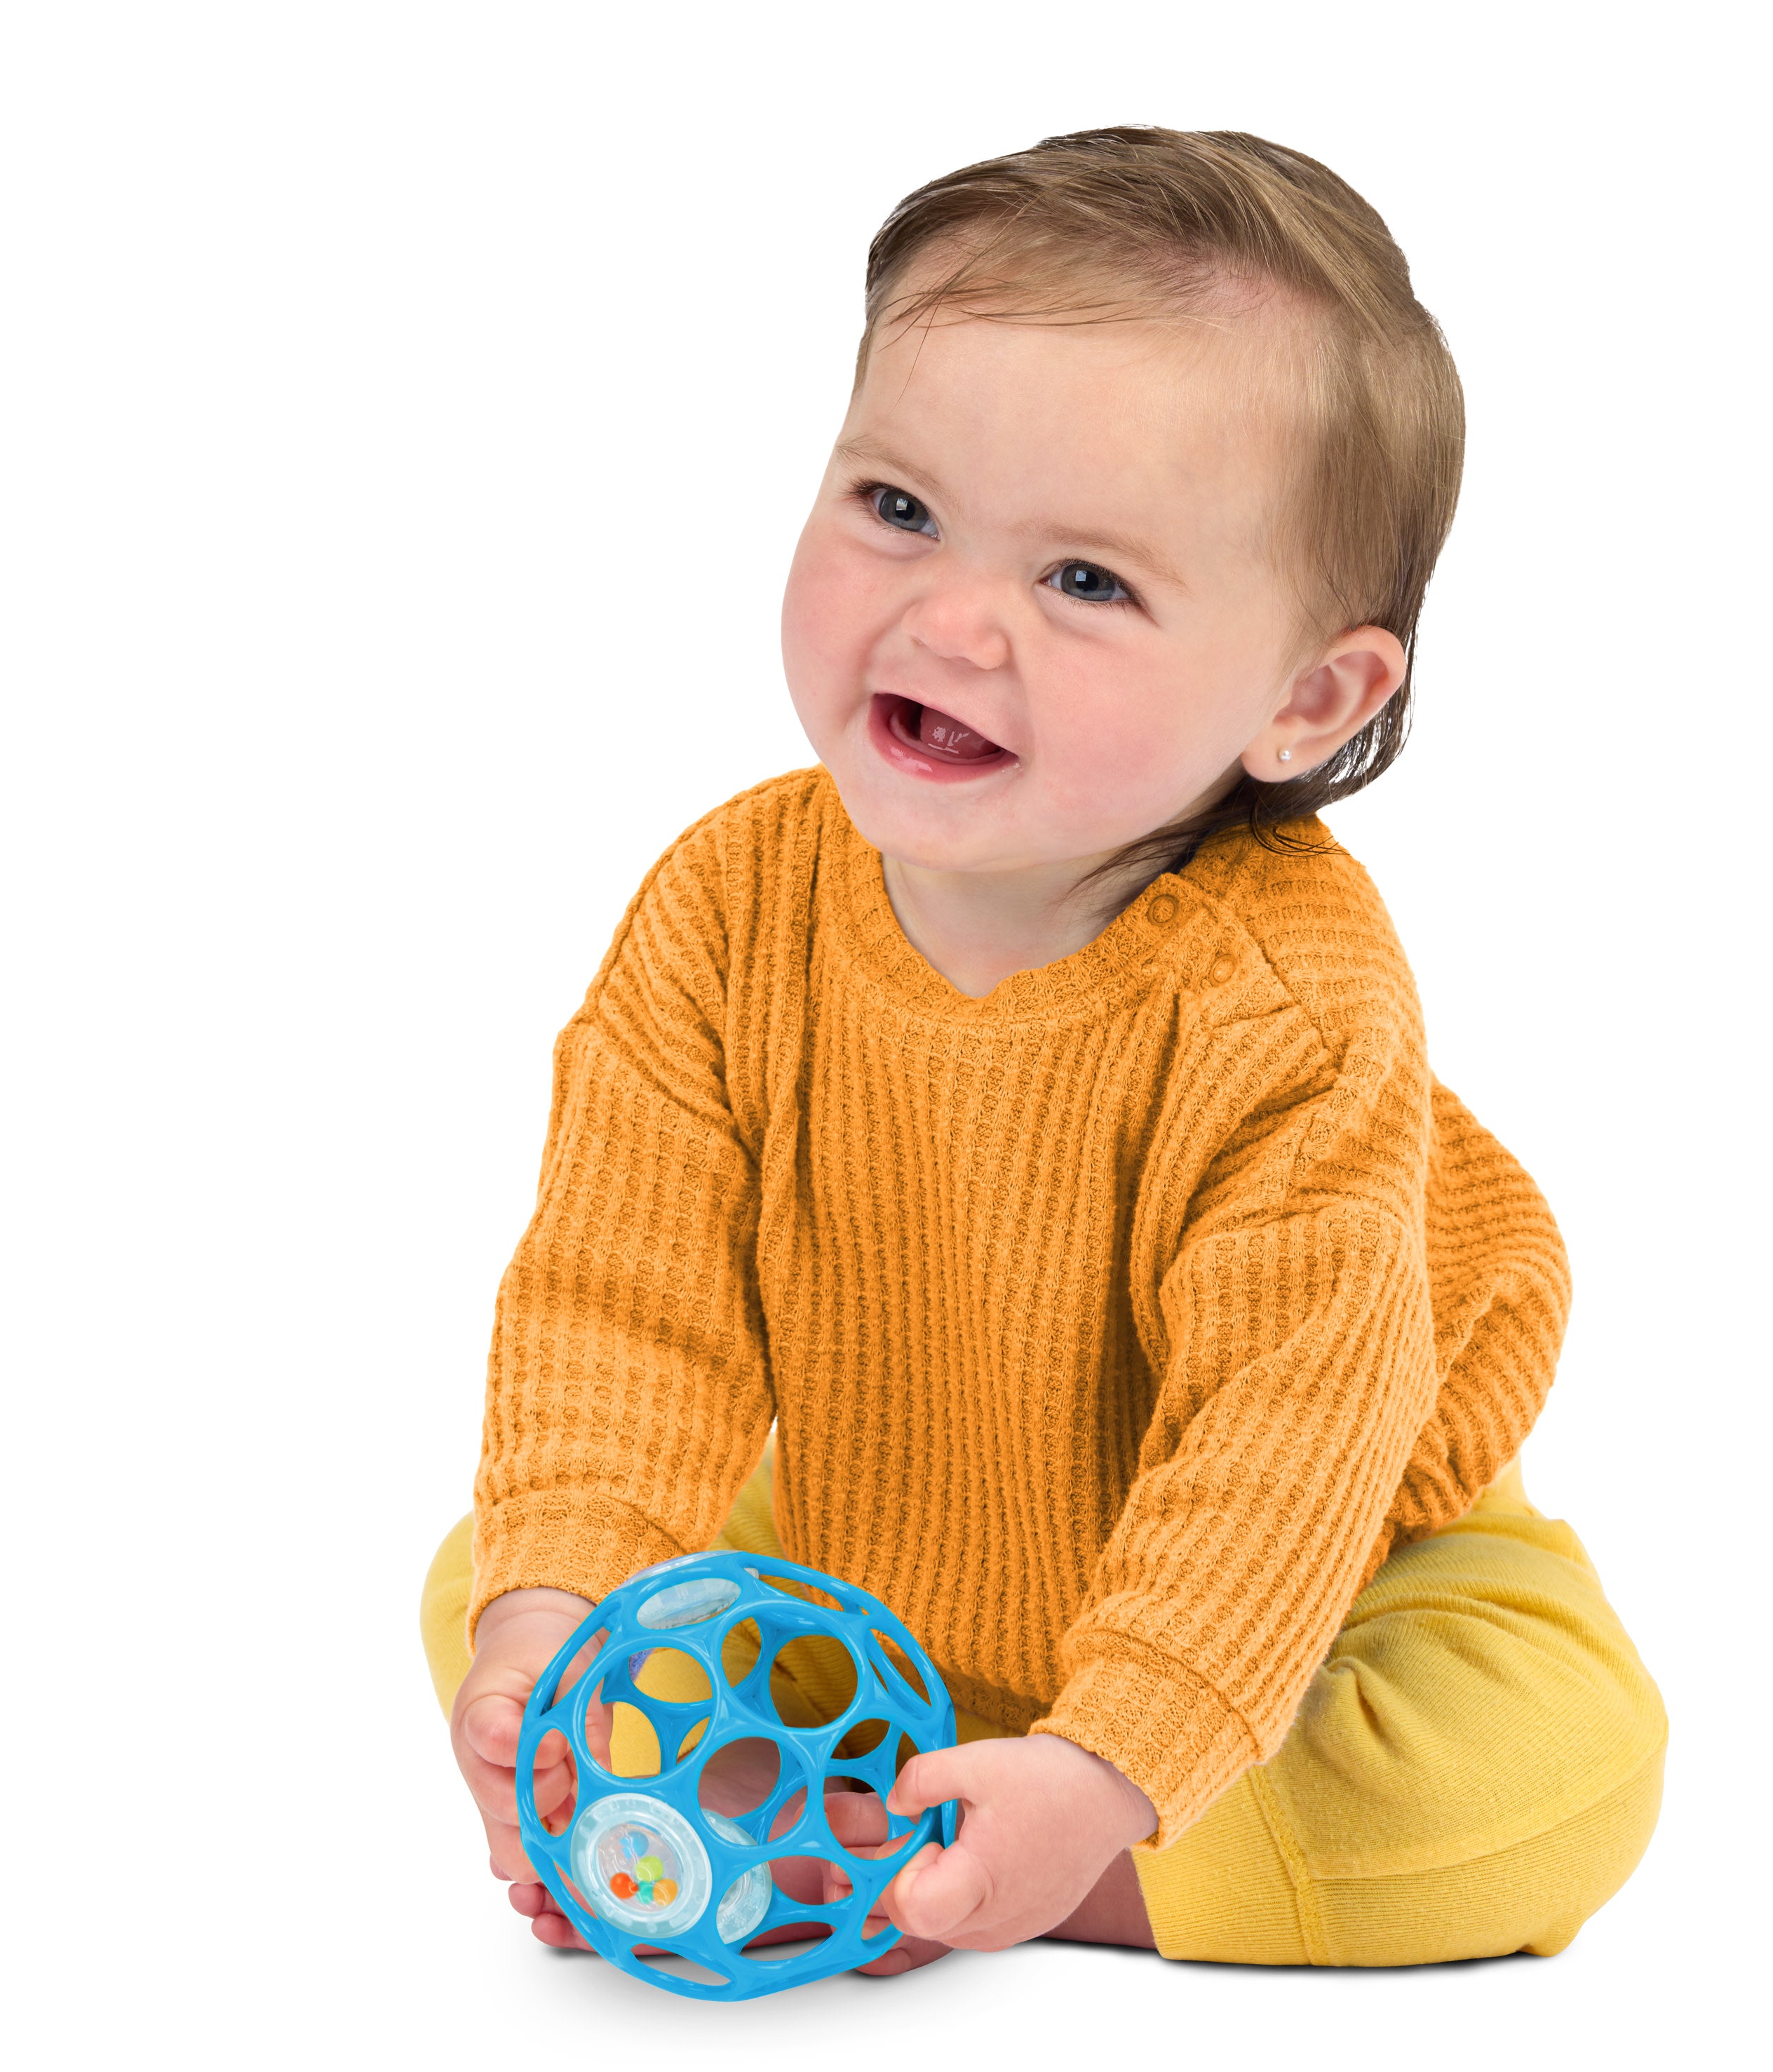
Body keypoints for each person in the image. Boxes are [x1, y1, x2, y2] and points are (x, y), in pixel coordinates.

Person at [423, 126, 1666, 1973]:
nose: (948, 619)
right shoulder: (724, 905)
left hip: (1300, 1562)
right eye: (898, 508)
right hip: (872, 1517)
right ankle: (812, 1806)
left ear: (1305, 699)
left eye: (1086, 582)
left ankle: (1023, 1863)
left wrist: (1109, 1768)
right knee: (498, 1570)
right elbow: (625, 1306)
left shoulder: (1289, 1003)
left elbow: (1283, 1442)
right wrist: (550, 1618)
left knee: (1553, 1767)